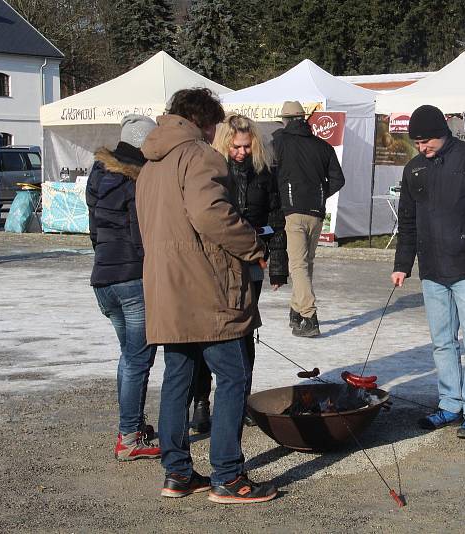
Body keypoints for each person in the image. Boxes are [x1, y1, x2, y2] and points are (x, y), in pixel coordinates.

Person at [136, 88, 278, 504]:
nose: (216, 131)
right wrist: (254, 246)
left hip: (167, 287)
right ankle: (229, 477)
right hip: (206, 289)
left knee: (178, 378)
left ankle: (177, 473)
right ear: (202, 121)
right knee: (233, 376)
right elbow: (210, 215)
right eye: (214, 124)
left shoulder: (150, 164)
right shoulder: (198, 155)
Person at [390, 105, 465, 439]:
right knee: (442, 342)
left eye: (426, 141)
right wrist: (402, 264)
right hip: (432, 269)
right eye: (416, 142)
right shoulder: (414, 169)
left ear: (442, 132)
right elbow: (408, 221)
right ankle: (449, 404)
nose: (421, 148)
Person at [188, 115, 289, 433]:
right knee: (213, 333)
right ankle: (202, 402)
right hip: (216, 263)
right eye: (236, 146)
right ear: (224, 143)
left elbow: (277, 214)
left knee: (246, 332)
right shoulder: (212, 168)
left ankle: (241, 399)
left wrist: (277, 264)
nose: (242, 152)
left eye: (247, 146)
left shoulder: (264, 170)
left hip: (253, 259)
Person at [86, 115, 160, 461]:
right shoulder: (138, 178)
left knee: (128, 357)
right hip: (132, 278)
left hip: (103, 277)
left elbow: (94, 230)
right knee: (137, 360)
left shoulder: (98, 175)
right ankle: (129, 438)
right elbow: (140, 234)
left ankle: (132, 426)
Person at [272, 101, 345, 337]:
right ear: (303, 119)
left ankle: (309, 316)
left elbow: (271, 175)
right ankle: (296, 310)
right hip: (316, 211)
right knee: (305, 264)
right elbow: (338, 180)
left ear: (284, 120)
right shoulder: (322, 146)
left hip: (292, 211)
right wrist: (320, 193)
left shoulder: (279, 143)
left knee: (298, 265)